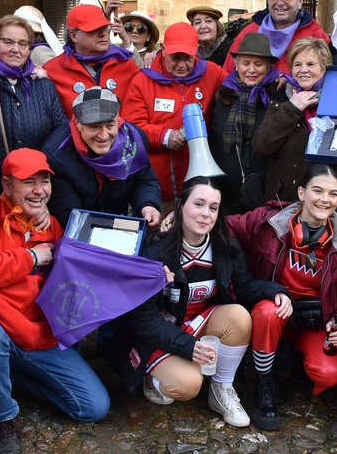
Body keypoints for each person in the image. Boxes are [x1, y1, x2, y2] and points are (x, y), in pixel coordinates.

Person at [0, 148, 110, 454]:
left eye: (44, 181)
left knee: (93, 408)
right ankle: (6, 420)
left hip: (37, 338)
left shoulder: (51, 225)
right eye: (29, 182)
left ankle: (8, 374)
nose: (39, 189)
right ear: (7, 185)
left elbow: (71, 283)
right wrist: (33, 258)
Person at [102, 176, 286, 427]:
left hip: (199, 324)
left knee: (239, 316)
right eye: (198, 204)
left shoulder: (225, 247)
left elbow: (242, 285)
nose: (205, 214)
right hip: (159, 332)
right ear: (180, 206)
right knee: (187, 386)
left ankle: (221, 389)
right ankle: (150, 376)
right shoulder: (156, 252)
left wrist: (275, 290)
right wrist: (189, 347)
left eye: (213, 207)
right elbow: (142, 320)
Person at [228, 164, 337, 429]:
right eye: (318, 190)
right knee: (269, 311)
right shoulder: (267, 222)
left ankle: (295, 359)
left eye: (333, 194)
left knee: (330, 374)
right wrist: (242, 275)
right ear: (302, 193)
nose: (325, 199)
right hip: (272, 313)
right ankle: (263, 383)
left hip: (314, 321)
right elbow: (225, 228)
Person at [253, 37, 337, 225]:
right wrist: (292, 108)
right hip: (287, 201)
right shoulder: (280, 99)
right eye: (297, 64)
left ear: (324, 68)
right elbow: (262, 146)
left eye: (311, 64)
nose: (303, 70)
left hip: (330, 202)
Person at [122, 22, 226, 210]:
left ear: (197, 51)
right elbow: (131, 127)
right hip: (157, 187)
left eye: (187, 58)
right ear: (163, 49)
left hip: (198, 188)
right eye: (174, 58)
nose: (181, 65)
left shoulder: (212, 72)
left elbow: (238, 84)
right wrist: (165, 136)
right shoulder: (143, 80)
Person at [42, 87, 161, 228]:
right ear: (78, 124)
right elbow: (70, 215)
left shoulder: (134, 138)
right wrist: (121, 228)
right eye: (94, 127)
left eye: (110, 125)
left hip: (118, 222)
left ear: (118, 119)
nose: (104, 136)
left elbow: (144, 180)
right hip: (77, 230)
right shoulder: (56, 154)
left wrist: (148, 205)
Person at [0, 14, 68, 199]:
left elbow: (61, 131)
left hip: (35, 192)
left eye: (22, 43)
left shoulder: (42, 84)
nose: (15, 49)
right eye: (8, 42)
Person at [208, 32, 280, 212]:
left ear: (269, 66)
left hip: (264, 194)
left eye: (258, 64)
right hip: (225, 194)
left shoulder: (277, 96)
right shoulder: (222, 96)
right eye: (245, 63)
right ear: (236, 64)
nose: (251, 70)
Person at [44, 4, 141, 119]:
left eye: (105, 28)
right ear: (74, 36)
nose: (103, 34)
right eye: (94, 30)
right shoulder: (51, 70)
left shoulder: (126, 63)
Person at [224, 0, 329, 75]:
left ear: (300, 0)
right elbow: (228, 73)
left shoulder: (315, 35)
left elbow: (327, 76)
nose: (280, 3)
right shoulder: (250, 32)